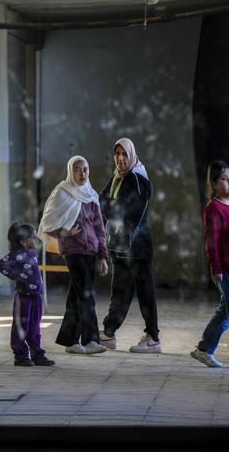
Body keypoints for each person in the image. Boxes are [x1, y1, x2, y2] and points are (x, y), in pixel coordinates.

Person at [39, 156, 110, 355]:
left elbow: (99, 228)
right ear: (71, 171)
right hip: (73, 251)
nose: (82, 174)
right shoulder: (62, 192)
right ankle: (90, 340)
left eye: (85, 169)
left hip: (91, 251)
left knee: (76, 296)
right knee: (87, 294)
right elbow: (48, 222)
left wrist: (103, 256)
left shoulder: (91, 195)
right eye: (77, 170)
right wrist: (63, 232)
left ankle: (70, 340)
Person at [98, 138, 161, 353]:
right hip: (120, 245)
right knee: (120, 290)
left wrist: (114, 206)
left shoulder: (138, 179)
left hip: (138, 247)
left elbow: (130, 212)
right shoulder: (117, 178)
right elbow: (101, 203)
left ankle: (153, 337)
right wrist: (114, 205)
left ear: (131, 155)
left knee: (145, 293)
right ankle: (108, 332)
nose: (120, 158)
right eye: (117, 154)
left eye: (124, 154)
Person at [190, 160, 229, 367]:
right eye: (224, 179)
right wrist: (216, 267)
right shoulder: (214, 209)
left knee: (226, 311)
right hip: (226, 269)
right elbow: (211, 241)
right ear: (213, 183)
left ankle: (204, 349)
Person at [0, 222, 55, 367]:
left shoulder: (33, 253)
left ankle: (37, 353)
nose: (35, 240)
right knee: (21, 326)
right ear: (22, 241)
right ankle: (20, 355)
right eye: (33, 238)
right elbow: (0, 265)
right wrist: (18, 276)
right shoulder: (17, 255)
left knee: (35, 326)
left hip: (36, 296)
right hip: (23, 297)